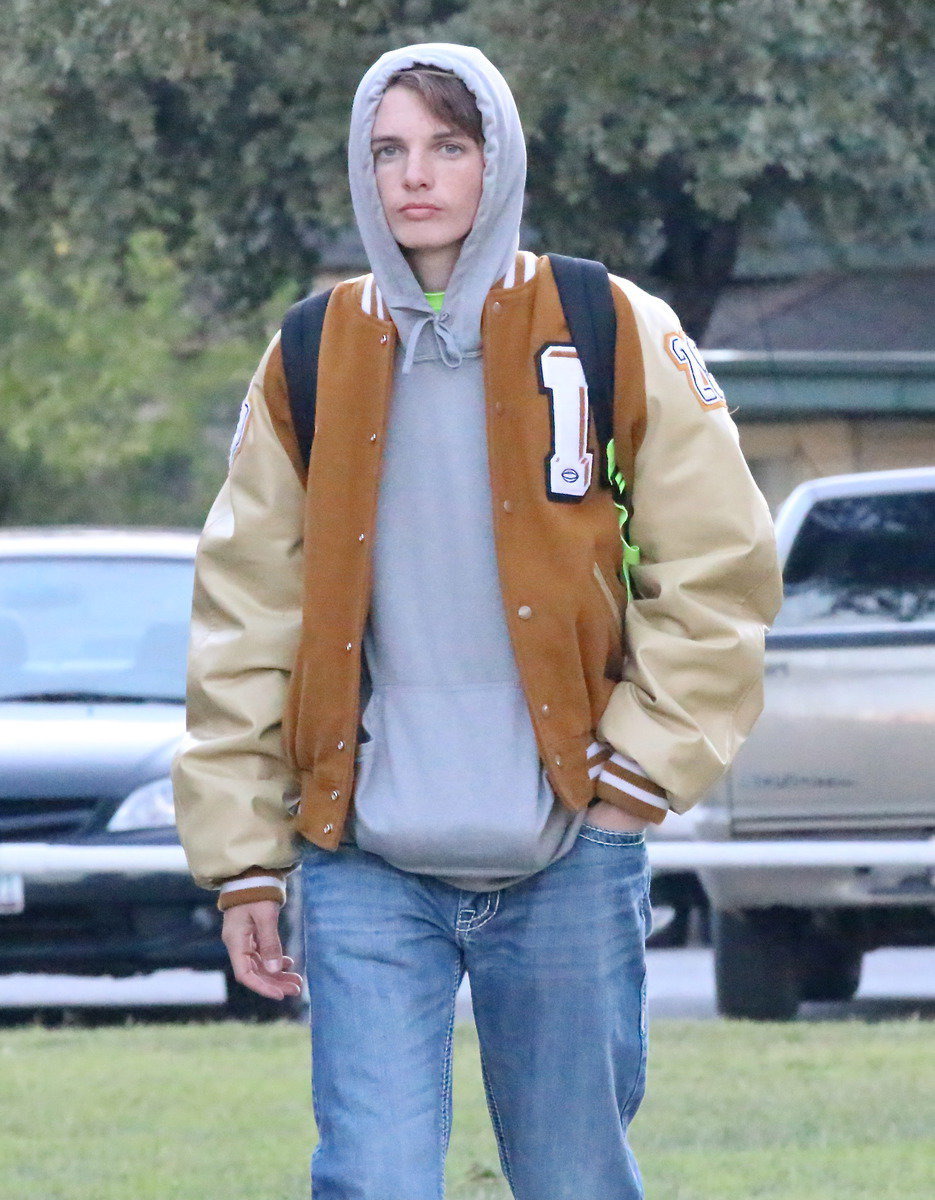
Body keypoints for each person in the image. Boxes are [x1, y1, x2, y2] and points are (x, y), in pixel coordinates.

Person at [172, 42, 782, 1200]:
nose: (414, 175)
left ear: (496, 159)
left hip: (567, 848)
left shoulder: (612, 324)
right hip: (364, 859)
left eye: (447, 146)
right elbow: (245, 613)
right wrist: (243, 861)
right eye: (387, 149)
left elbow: (719, 569)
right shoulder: (307, 353)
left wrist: (630, 785)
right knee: (372, 1178)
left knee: (571, 1179)